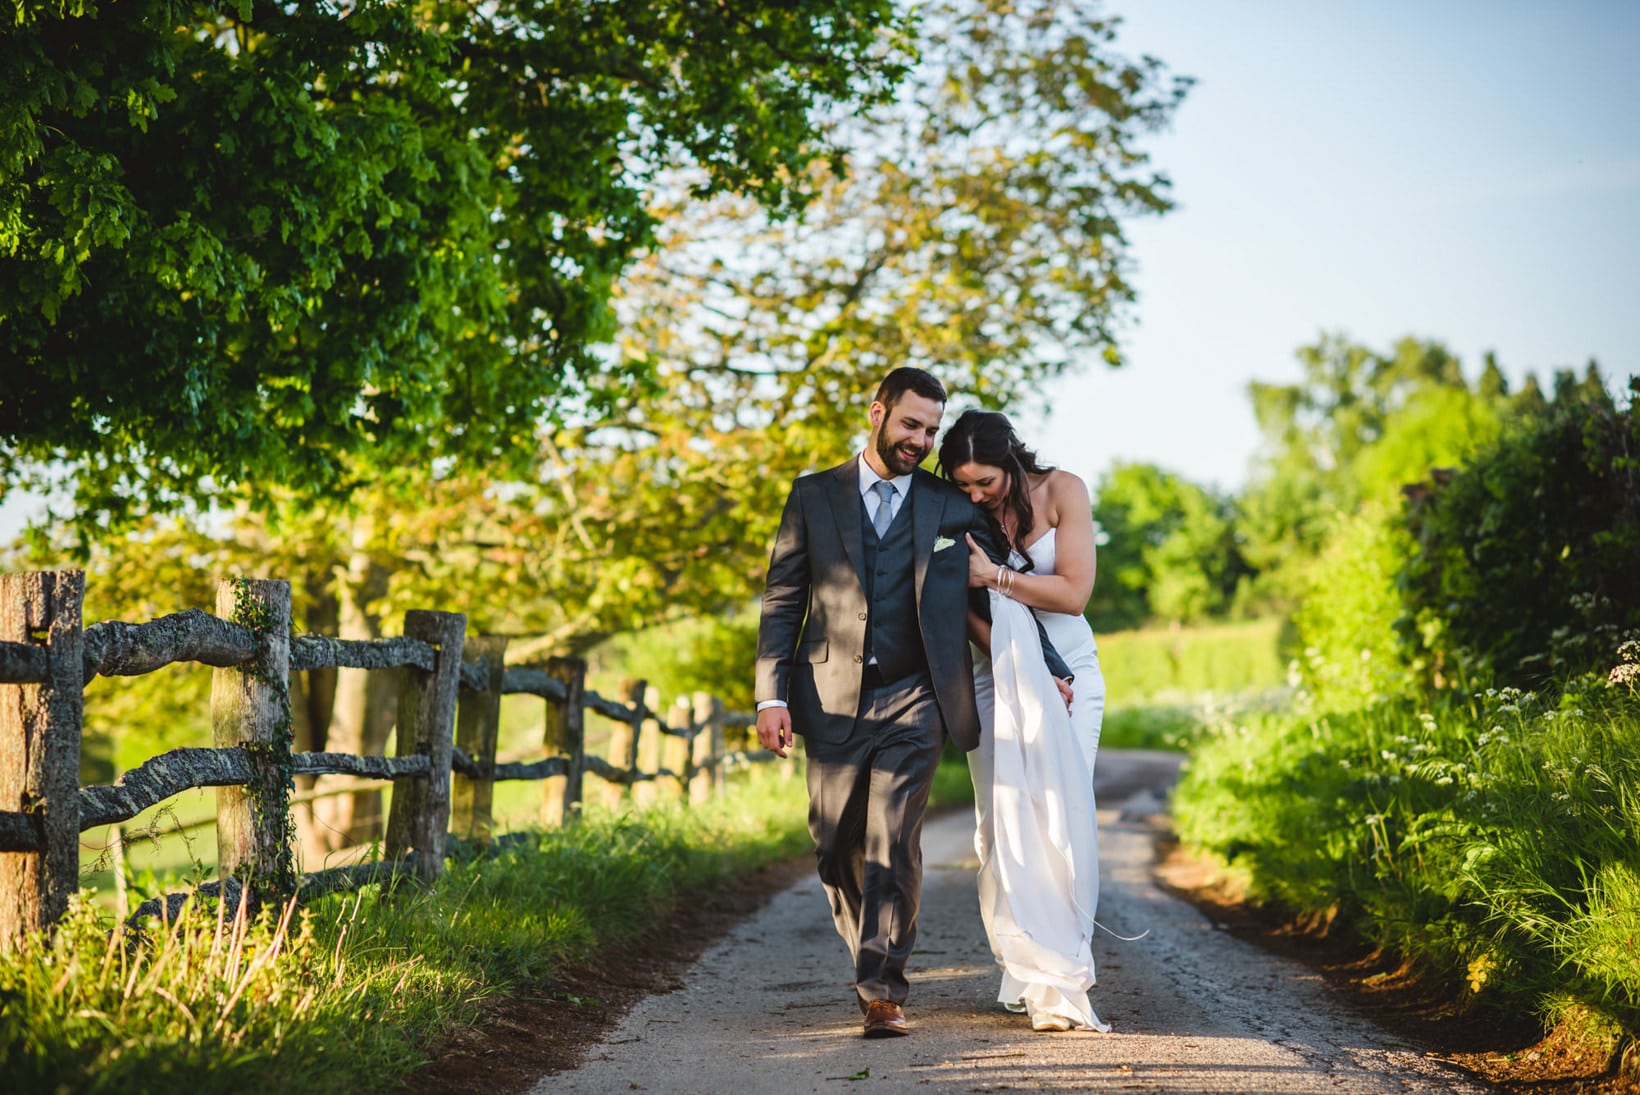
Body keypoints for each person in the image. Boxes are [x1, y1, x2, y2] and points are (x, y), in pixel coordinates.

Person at [755, 368, 1072, 1040]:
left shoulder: (947, 505)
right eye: (911, 425)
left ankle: (883, 989)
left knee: (892, 838)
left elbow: (996, 592)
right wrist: (769, 695)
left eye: (931, 429)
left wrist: (1053, 665)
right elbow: (783, 598)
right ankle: (872, 954)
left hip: (917, 695)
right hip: (829, 698)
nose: (921, 440)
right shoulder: (813, 495)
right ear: (877, 412)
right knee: (835, 844)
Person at [938, 408, 1110, 1034]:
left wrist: (997, 575)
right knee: (998, 825)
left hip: (1074, 678)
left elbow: (1072, 593)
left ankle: (1060, 978)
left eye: (985, 482)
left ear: (1010, 460)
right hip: (997, 671)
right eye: (963, 484)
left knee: (1060, 817)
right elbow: (961, 605)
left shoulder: (1063, 489)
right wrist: (1024, 663)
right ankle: (1021, 962)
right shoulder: (958, 510)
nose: (975, 494)